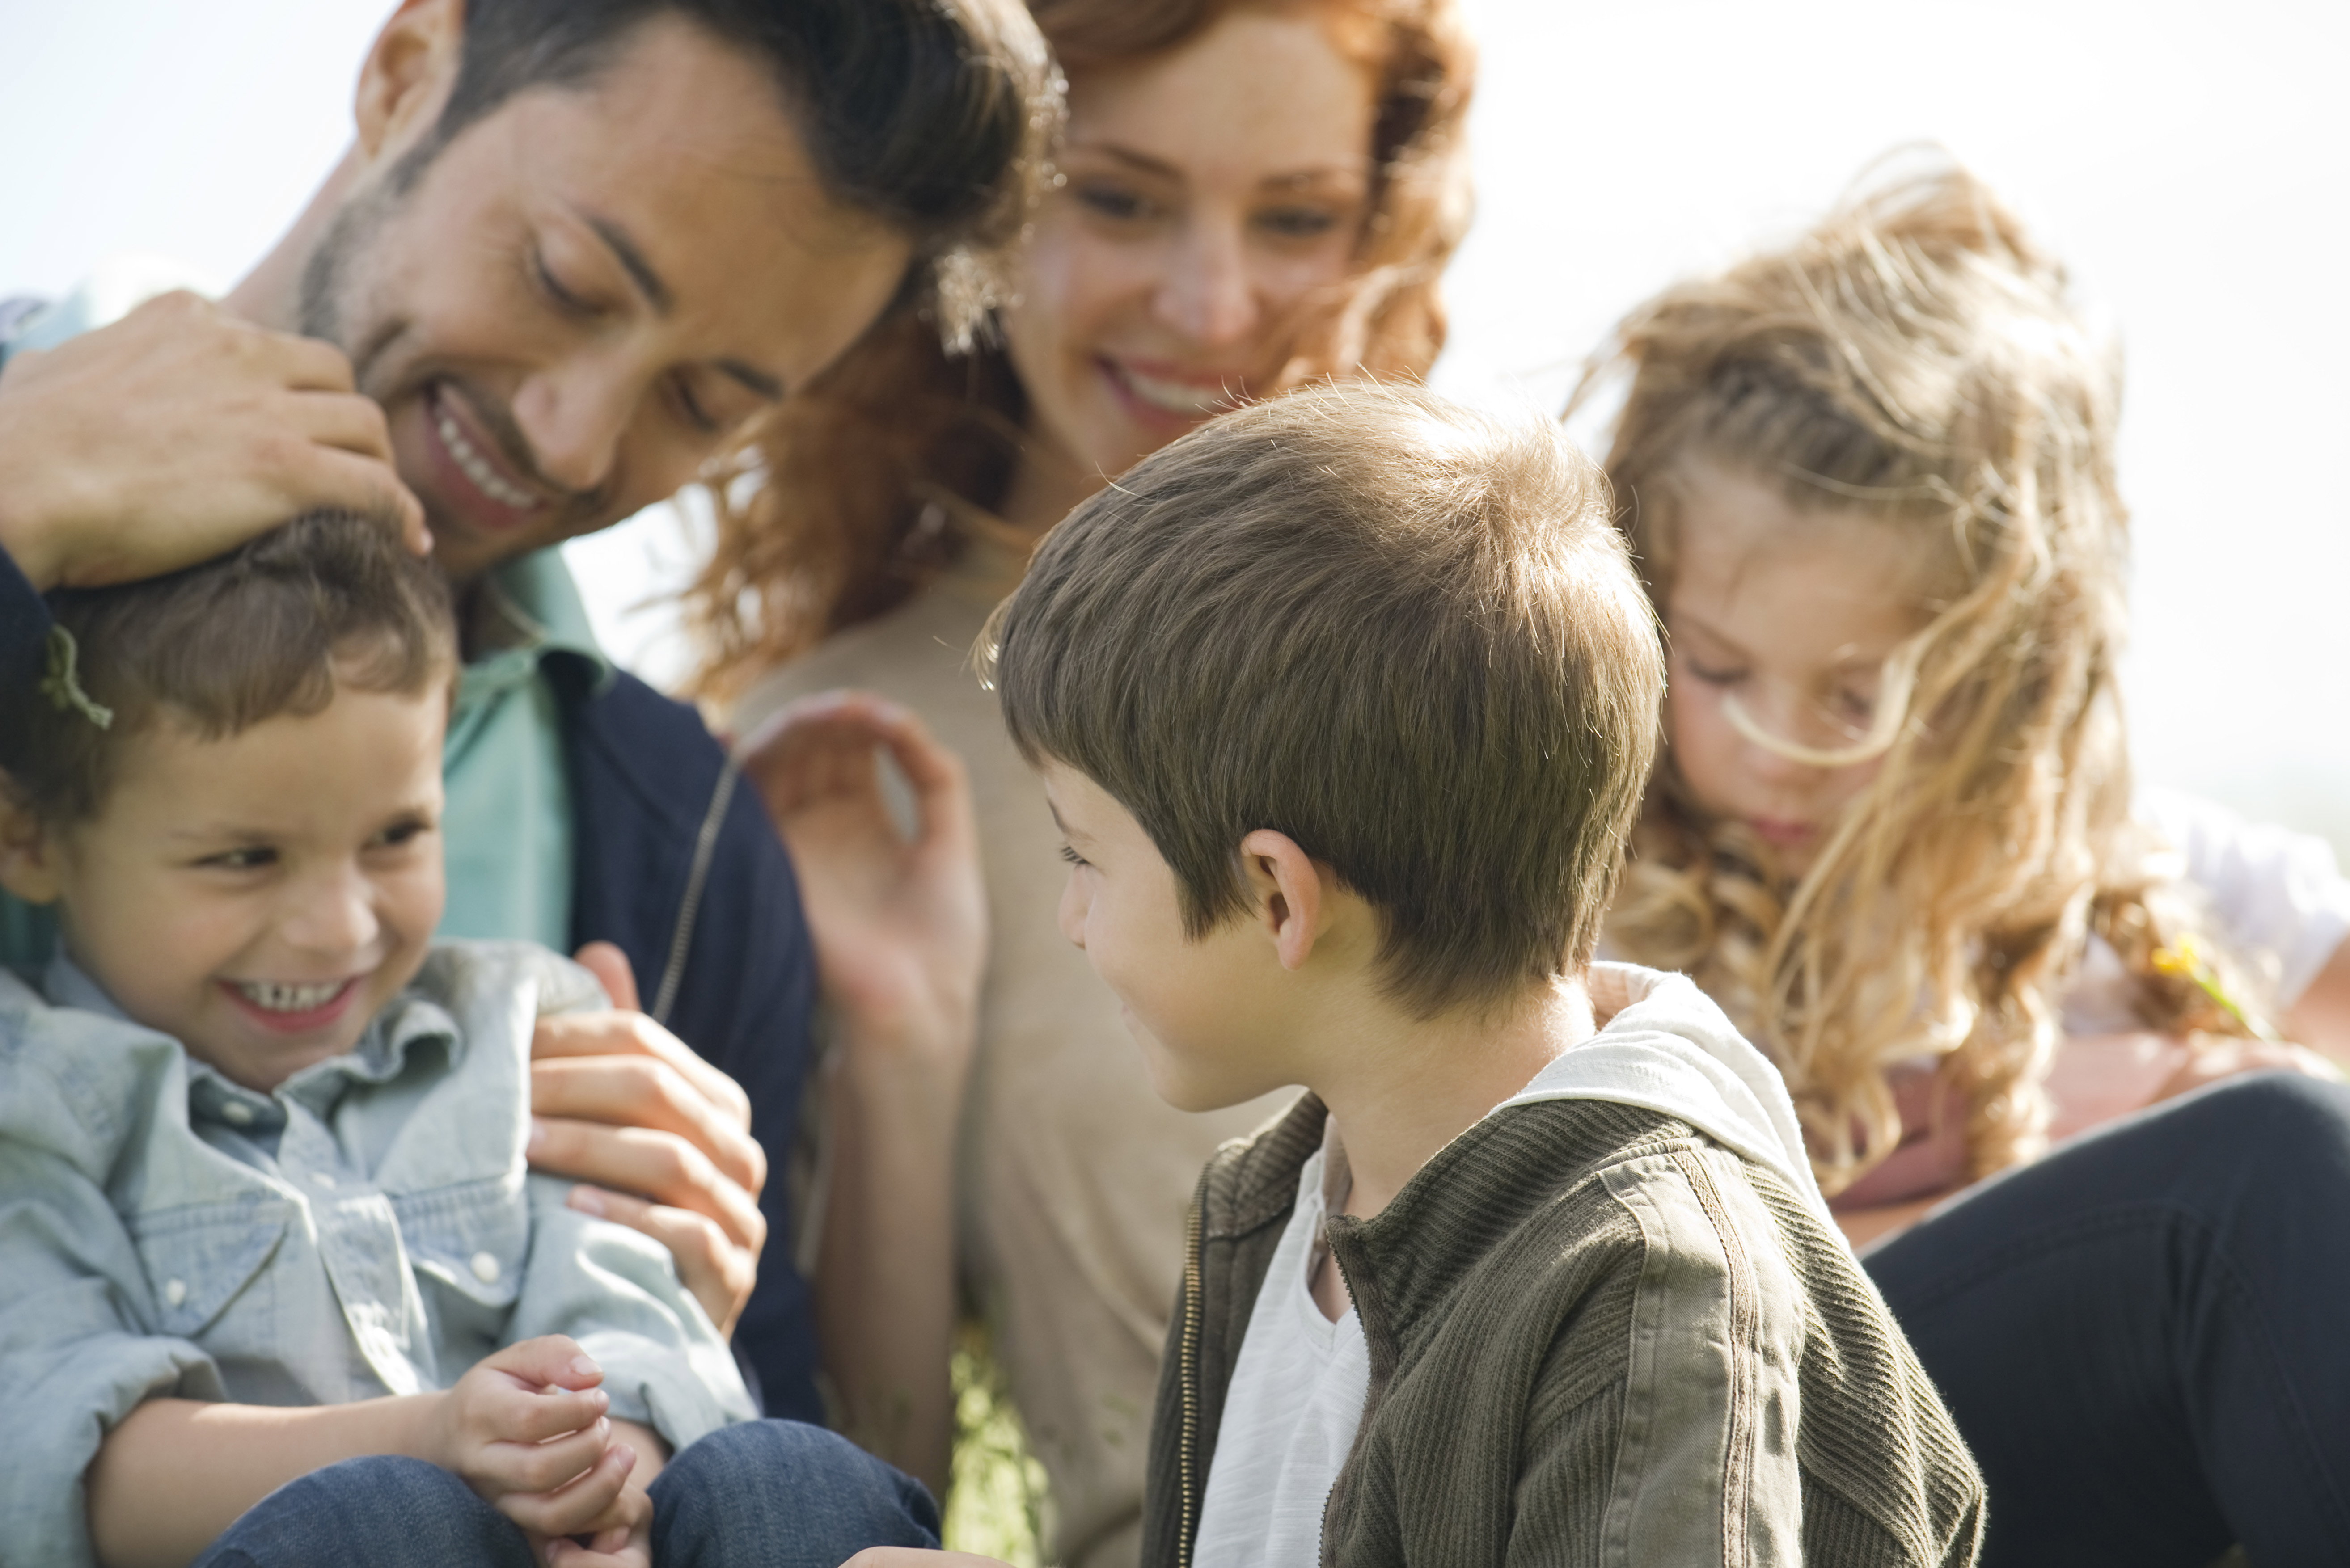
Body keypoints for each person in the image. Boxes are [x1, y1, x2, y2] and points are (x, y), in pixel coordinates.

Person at [0, 0, 1057, 1423]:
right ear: (404, 71)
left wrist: (680, 1336)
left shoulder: (675, 838)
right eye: (565, 278)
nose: (571, 438)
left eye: (700, 402)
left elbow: (813, 1471)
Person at [840, 382, 1983, 1568]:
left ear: (1279, 895)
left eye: (1085, 855)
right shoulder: (1271, 1208)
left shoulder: (1652, 1285)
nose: (1074, 919)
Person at [695, 1, 1474, 1550]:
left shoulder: (1515, 622)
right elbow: (856, 1464)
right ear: (981, 200)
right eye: (1114, 196)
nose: (1209, 301)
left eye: (1298, 216)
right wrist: (898, 1048)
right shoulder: (828, 753)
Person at [1581, 160, 2350, 1564]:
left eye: (1855, 692)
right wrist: (2101, 1159)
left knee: (2295, 1134)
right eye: (1721, 667)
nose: (1777, 748)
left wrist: (2251, 1078)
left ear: (2003, 675)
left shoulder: (2121, 873)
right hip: (1778, 1481)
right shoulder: (1600, 915)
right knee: (2260, 1163)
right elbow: (1616, 1320)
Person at [0, 512, 941, 1568]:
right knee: (383, 1524)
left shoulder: (522, 1030)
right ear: (27, 837)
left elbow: (633, 1311)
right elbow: (59, 1456)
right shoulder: (34, 1101)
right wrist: (432, 1439)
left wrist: (604, 1487)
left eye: (396, 835)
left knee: (784, 1475)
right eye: (244, 857)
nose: (342, 926)